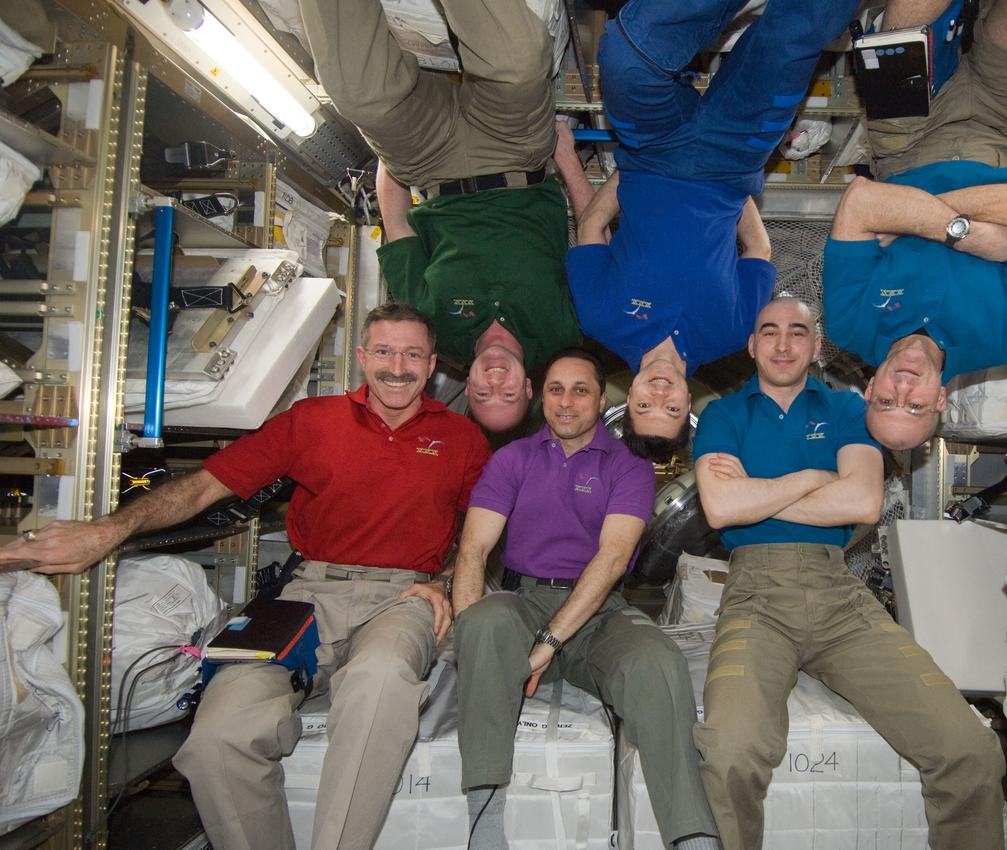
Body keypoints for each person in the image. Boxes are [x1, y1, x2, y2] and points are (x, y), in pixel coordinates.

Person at [2, 303, 491, 850]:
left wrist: (443, 582)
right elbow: (206, 485)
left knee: (380, 681)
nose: (397, 366)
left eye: (412, 355)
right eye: (383, 351)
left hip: (405, 593)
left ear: (431, 368)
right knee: (218, 736)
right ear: (361, 357)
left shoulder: (463, 440)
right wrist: (110, 530)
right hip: (309, 592)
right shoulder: (312, 421)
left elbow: (479, 536)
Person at [693, 297, 1005, 850]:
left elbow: (861, 501)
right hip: (755, 599)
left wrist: (754, 496)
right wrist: (815, 476)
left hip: (839, 597)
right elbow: (719, 509)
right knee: (730, 749)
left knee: (970, 749)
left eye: (798, 332)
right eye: (769, 332)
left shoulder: (846, 411)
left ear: (817, 347)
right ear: (752, 345)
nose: (783, 344)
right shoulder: (723, 414)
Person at [560, 0, 862, 458]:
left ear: (625, 397)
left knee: (625, 54)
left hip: (649, 150)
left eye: (645, 405)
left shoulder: (601, 319)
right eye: (671, 408)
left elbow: (591, 227)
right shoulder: (732, 334)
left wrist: (631, 173)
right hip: (731, 158)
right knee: (790, 41)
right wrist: (732, 185)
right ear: (689, 404)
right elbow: (758, 248)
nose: (660, 394)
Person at [451, 348, 720, 850]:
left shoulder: (629, 467)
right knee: (484, 622)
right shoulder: (512, 459)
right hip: (523, 600)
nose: (567, 402)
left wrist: (547, 645)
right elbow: (474, 549)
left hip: (598, 609)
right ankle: (483, 827)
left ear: (601, 400)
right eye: (556, 389)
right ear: (541, 397)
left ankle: (693, 836)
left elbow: (614, 558)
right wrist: (471, 639)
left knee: (657, 660)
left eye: (580, 390)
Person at [297, 0, 583, 433]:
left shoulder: (430, 330)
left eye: (483, 394)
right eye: (508, 394)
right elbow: (594, 235)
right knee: (520, 63)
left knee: (359, 97)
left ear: (466, 386)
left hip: (429, 163)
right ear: (529, 388)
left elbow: (397, 223)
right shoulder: (565, 331)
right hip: (515, 154)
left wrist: (391, 150)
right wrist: (568, 162)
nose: (495, 381)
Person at [822, 0, 1007, 450]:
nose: (903, 390)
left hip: (903, 132)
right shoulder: (1005, 341)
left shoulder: (849, 326)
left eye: (886, 402)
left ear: (868, 391)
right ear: (940, 400)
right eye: (915, 406)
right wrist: (904, 218)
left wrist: (975, 235)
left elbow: (861, 199)